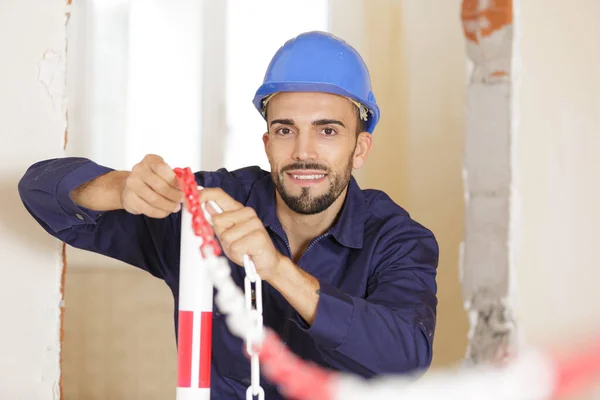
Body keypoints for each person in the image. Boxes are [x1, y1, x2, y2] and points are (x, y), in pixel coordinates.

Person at [18, 31, 438, 399]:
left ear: (360, 148)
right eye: (285, 129)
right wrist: (120, 187)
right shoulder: (207, 209)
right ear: (267, 142)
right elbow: (38, 191)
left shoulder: (396, 239)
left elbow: (404, 358)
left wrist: (277, 270)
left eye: (327, 130)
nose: (303, 151)